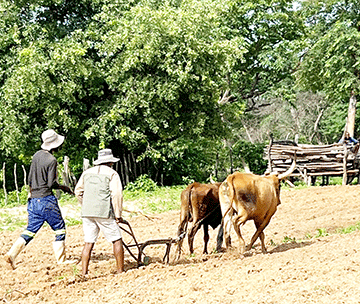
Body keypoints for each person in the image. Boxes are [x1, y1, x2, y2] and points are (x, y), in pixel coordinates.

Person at [4, 129, 75, 269]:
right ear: (55, 145)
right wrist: (63, 187)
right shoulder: (52, 160)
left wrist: (31, 195)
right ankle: (61, 260)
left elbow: (30, 179)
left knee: (30, 230)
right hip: (46, 200)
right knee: (59, 229)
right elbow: (50, 184)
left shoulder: (36, 155)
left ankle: (12, 255)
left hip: (33, 199)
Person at [74, 148, 124, 276]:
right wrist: (118, 215)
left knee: (88, 242)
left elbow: (78, 192)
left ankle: (84, 272)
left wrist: (85, 204)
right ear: (110, 162)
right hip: (104, 212)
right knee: (117, 240)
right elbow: (117, 194)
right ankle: (120, 271)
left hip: (87, 213)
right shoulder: (112, 174)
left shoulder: (87, 173)